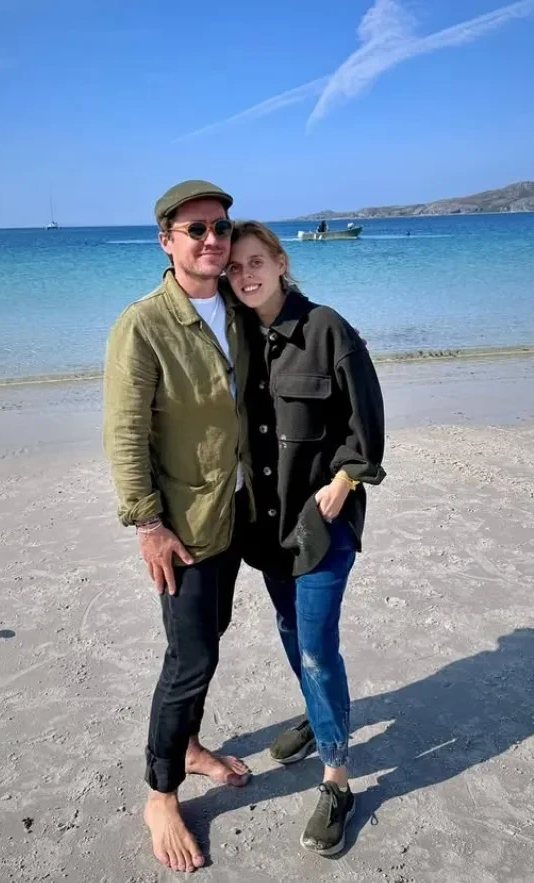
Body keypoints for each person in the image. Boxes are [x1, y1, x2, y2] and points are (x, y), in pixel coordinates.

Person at [103, 181, 253, 874]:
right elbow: (125, 431)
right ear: (166, 241)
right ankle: (160, 793)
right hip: (182, 523)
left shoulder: (238, 306)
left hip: (233, 511)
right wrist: (147, 523)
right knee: (188, 658)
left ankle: (189, 747)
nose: (212, 239)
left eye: (220, 227)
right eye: (195, 229)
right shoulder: (143, 324)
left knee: (209, 639)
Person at [224, 221, 386, 856]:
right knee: (291, 634)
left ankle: (338, 781)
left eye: (255, 261)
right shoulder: (235, 337)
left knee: (317, 648)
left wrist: (344, 480)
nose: (245, 275)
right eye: (234, 267)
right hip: (266, 528)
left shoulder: (327, 329)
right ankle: (321, 719)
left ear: (281, 262)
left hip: (320, 526)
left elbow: (366, 427)